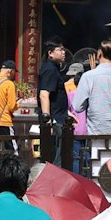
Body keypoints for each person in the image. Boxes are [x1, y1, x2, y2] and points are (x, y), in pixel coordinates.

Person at [36, 41, 72, 169]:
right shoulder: (50, 69)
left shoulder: (53, 68)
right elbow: (44, 94)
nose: (63, 52)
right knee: (55, 158)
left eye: (63, 49)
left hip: (59, 117)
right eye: (60, 50)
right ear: (50, 53)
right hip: (55, 121)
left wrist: (67, 112)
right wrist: (48, 121)